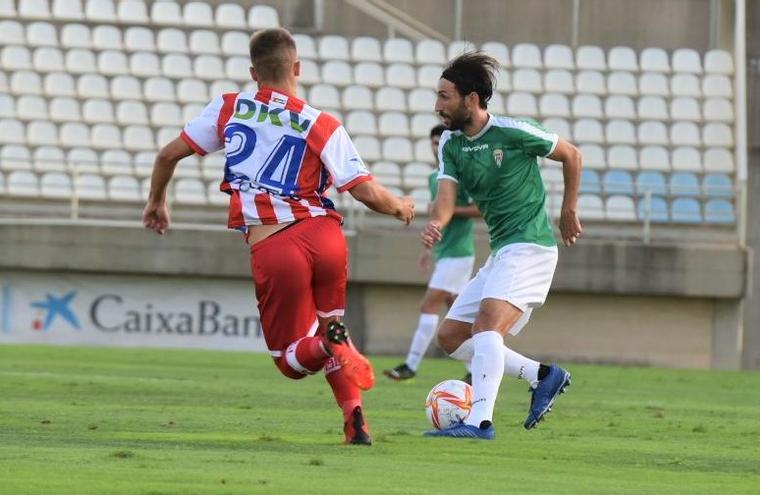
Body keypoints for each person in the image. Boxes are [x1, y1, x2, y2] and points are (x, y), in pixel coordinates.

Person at [142, 28, 415, 446]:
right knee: (331, 329)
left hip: (276, 245)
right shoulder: (322, 123)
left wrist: (157, 202)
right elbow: (364, 191)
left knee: (291, 362)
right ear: (298, 68)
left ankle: (329, 344)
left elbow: (167, 155)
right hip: (326, 238)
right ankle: (355, 420)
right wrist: (401, 207)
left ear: (254, 72)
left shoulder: (229, 107)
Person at [421, 51, 582, 440]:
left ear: (471, 99)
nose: (438, 105)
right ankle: (542, 375)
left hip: (531, 247)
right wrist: (437, 224)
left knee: (487, 326)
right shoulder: (451, 145)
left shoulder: (513, 131)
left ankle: (479, 422)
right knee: (451, 337)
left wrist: (567, 210)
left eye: (445, 97)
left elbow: (571, 155)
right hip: (502, 252)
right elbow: (446, 199)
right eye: (437, 96)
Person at [383, 124, 480, 383]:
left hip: (459, 252)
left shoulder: (462, 175)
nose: (437, 147)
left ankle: (411, 365)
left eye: (441, 142)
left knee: (429, 305)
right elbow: (438, 217)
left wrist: (449, 209)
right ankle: (476, 368)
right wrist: (428, 249)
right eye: (434, 143)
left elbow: (480, 209)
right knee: (456, 313)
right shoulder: (432, 177)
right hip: (444, 252)